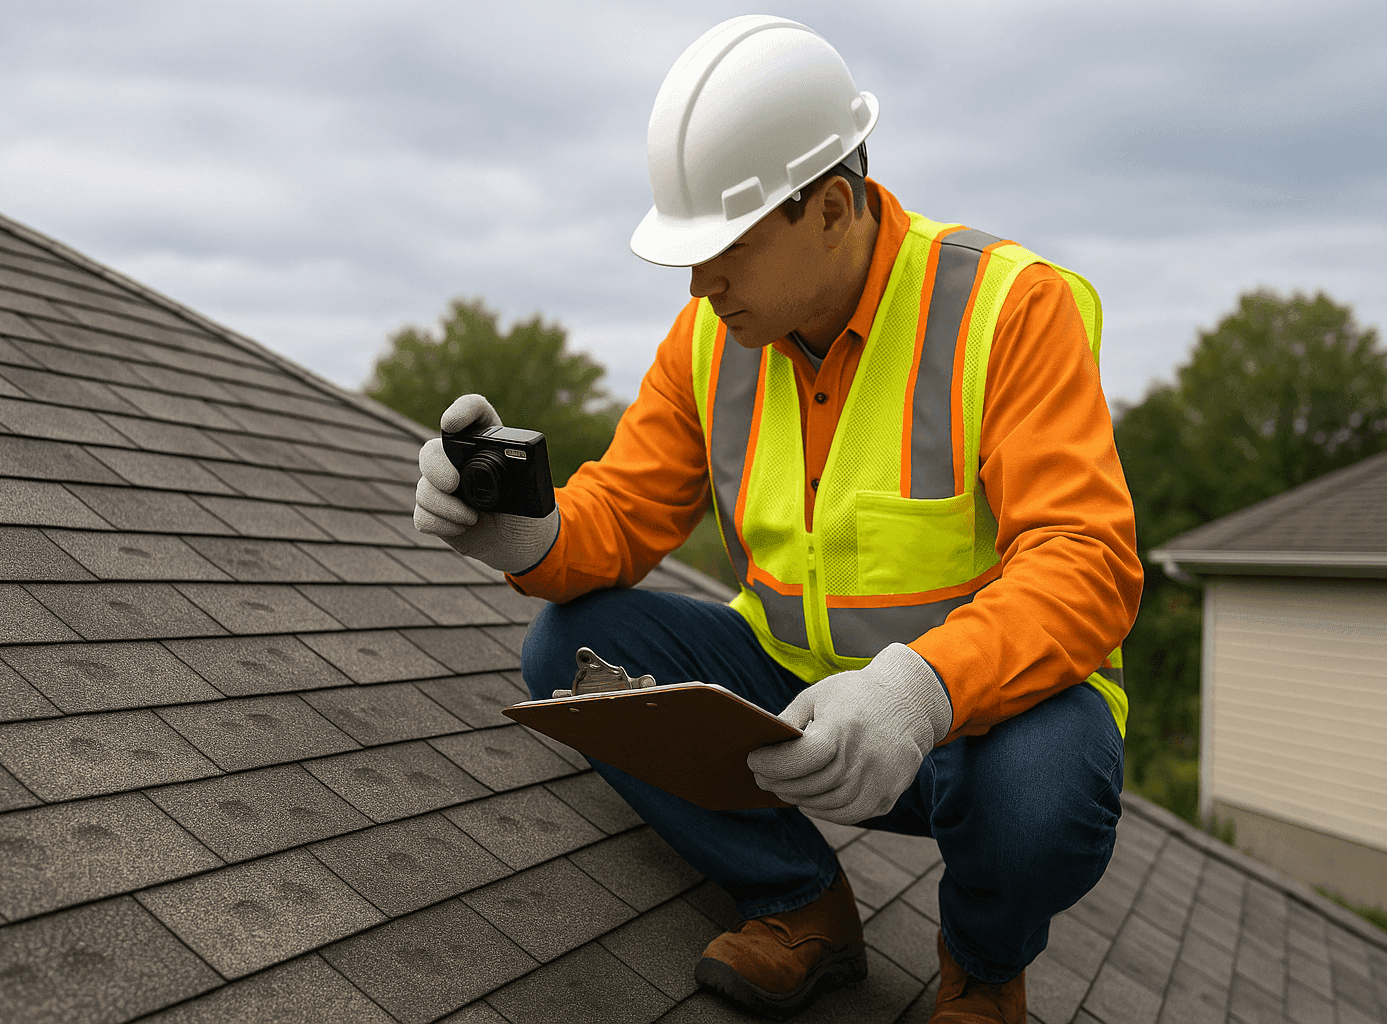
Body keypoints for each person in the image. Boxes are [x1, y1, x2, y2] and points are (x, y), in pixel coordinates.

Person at [414, 15, 1141, 1023]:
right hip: (796, 712)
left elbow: (1086, 563)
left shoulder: (1007, 309)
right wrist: (528, 535)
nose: (700, 283)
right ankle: (800, 904)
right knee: (572, 648)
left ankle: (981, 967)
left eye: (724, 249)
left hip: (974, 728)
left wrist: (921, 690)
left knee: (1037, 801)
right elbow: (621, 511)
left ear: (832, 206)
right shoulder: (713, 339)